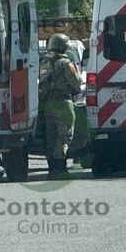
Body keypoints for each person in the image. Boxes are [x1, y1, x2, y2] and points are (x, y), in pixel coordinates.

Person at [38, 33, 82, 180]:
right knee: (64, 136)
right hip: (63, 103)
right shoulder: (65, 62)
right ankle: (60, 169)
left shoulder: (44, 62)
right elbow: (76, 81)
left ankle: (52, 170)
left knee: (51, 136)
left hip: (47, 104)